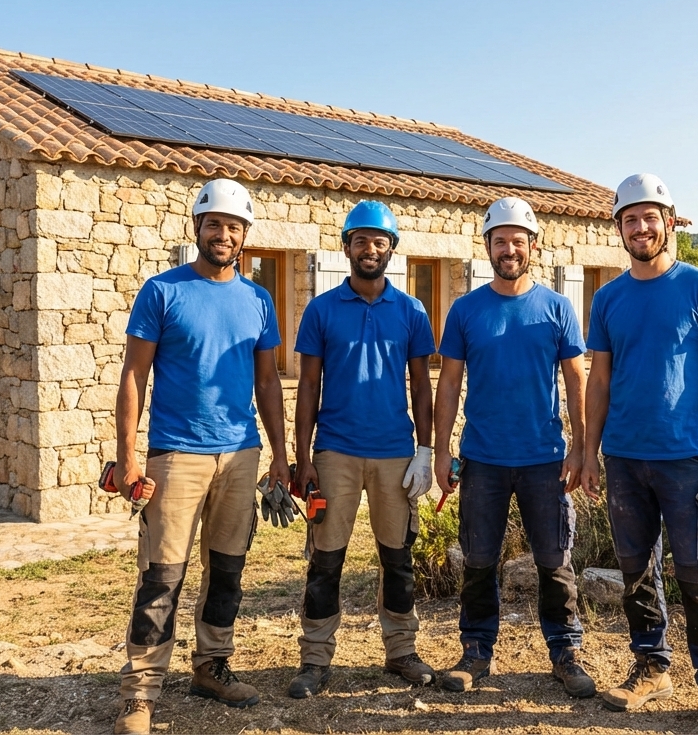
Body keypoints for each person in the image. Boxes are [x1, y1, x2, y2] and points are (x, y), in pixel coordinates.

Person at [112, 178, 291, 735]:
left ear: (245, 237)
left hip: (241, 455)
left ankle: (212, 668)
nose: (223, 234)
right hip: (176, 456)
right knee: (162, 576)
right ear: (197, 229)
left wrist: (280, 457)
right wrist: (128, 456)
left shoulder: (259, 299)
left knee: (228, 572)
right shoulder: (162, 292)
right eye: (214, 223)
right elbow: (134, 375)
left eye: (234, 227)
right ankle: (140, 695)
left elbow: (268, 383)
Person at [579, 174, 698, 735]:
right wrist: (587, 450)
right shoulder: (607, 298)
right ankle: (652, 665)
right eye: (631, 218)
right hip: (624, 458)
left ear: (669, 222)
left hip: (687, 459)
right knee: (634, 570)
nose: (641, 226)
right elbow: (598, 381)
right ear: (619, 229)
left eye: (651, 216)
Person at [433, 197, 596, 697]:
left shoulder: (557, 308)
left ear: (533, 247)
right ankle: (476, 652)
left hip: (545, 460)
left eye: (517, 241)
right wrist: (441, 451)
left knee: (554, 560)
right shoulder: (465, 310)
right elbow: (448, 384)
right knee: (479, 560)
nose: (509, 249)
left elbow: (575, 381)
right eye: (499, 240)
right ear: (487, 247)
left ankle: (566, 653)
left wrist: (581, 448)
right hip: (482, 458)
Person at [288, 200, 438, 698]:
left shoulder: (412, 310)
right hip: (336, 452)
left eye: (380, 241)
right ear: (346, 246)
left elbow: (421, 383)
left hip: (395, 453)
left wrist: (426, 448)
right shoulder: (321, 309)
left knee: (397, 557)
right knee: (326, 558)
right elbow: (308, 386)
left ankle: (401, 652)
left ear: (391, 249)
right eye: (361, 240)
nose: (370, 248)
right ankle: (314, 658)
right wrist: (303, 457)